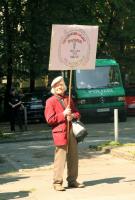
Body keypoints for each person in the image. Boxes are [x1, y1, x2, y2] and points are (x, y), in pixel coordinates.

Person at [44, 76, 85, 191]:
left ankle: (72, 181)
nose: (60, 87)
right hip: (60, 132)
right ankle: (57, 182)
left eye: (61, 85)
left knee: (73, 157)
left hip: (71, 131)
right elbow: (49, 120)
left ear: (65, 87)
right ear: (53, 88)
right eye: (57, 85)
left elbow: (77, 113)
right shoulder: (50, 101)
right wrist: (63, 114)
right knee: (60, 158)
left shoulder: (68, 98)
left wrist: (72, 115)